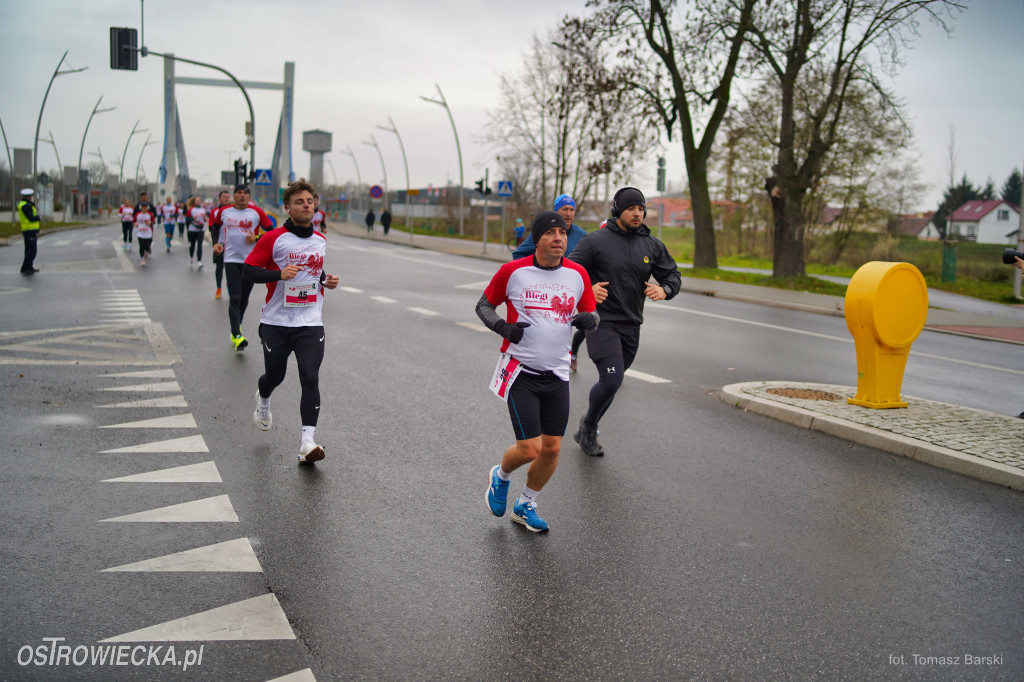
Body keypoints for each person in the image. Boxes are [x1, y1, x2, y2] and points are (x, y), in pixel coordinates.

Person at [477, 211, 598, 533]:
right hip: (521, 371)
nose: (559, 238)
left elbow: (591, 312)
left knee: (553, 448)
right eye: (551, 233)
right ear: (538, 239)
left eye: (563, 232)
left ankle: (526, 503)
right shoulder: (514, 271)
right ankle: (500, 477)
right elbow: (484, 306)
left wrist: (590, 320)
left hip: (557, 373)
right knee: (530, 448)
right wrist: (503, 327)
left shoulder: (577, 275)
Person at [568, 187, 682, 457]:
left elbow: (672, 274)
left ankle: (587, 425)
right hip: (601, 322)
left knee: (614, 382)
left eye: (641, 208)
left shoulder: (651, 245)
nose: (637, 213)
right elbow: (568, 272)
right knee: (610, 380)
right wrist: (588, 289)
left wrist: (665, 290)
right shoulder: (596, 241)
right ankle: (589, 428)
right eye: (631, 208)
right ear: (618, 210)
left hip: (632, 325)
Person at [244, 178, 340, 464]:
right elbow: (248, 272)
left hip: (310, 322)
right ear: (287, 207)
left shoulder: (320, 240)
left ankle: (307, 442)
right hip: (276, 322)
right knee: (276, 376)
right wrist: (278, 275)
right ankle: (263, 400)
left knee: (310, 376)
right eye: (299, 201)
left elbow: (314, 273)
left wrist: (327, 280)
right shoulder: (273, 239)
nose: (306, 205)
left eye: (310, 201)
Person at [512, 194, 593, 372]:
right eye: (565, 209)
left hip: (570, 292)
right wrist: (536, 275)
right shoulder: (544, 232)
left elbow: (593, 265)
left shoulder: (583, 236)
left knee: (581, 322)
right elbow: (518, 255)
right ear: (556, 211)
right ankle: (535, 362)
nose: (569, 213)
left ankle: (570, 354)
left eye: (572, 209)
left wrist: (590, 285)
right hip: (545, 291)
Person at [212, 184, 272, 351]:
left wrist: (257, 238)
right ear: (234, 196)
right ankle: (237, 334)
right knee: (235, 298)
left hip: (251, 262)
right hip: (231, 260)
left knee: (244, 299)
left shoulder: (257, 213)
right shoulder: (224, 212)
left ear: (249, 196)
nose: (242, 196)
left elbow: (272, 231)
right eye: (239, 193)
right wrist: (216, 243)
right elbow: (215, 226)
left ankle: (237, 325)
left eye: (245, 193)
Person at [208, 190, 232, 299]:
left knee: (231, 267)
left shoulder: (233, 211)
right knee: (219, 266)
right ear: (219, 199)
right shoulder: (214, 212)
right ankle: (218, 287)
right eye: (224, 197)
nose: (226, 199)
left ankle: (229, 285)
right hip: (220, 243)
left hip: (231, 244)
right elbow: (211, 227)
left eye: (228, 197)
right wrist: (215, 243)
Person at [18, 188, 40, 275]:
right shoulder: (25, 206)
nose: (31, 198)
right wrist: (38, 217)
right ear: (27, 197)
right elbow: (30, 218)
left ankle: (28, 267)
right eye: (30, 196)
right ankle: (25, 267)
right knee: (32, 250)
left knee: (29, 250)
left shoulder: (26, 204)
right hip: (29, 230)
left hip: (29, 230)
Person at [186, 197, 207, 269]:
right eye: (197, 200)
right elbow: (187, 219)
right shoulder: (191, 210)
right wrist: (192, 218)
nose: (198, 202)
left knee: (200, 245)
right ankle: (191, 257)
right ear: (194, 202)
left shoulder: (203, 210)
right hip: (192, 229)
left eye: (199, 200)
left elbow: (204, 218)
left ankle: (199, 261)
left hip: (201, 229)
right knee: (192, 245)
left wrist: (205, 219)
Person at [134, 201, 155, 267]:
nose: (144, 208)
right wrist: (135, 224)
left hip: (148, 232)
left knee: (147, 246)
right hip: (140, 232)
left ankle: (148, 249)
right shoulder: (137, 214)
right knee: (141, 246)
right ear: (141, 207)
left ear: (147, 208)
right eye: (143, 207)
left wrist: (150, 223)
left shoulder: (150, 214)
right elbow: (134, 221)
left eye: (145, 207)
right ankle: (142, 259)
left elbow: (153, 221)